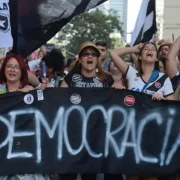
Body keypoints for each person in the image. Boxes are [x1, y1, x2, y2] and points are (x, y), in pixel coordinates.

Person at [61, 41, 123, 180]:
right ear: (80, 58)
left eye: (93, 54)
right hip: (72, 137)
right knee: (67, 175)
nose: (90, 57)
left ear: (97, 58)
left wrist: (119, 91)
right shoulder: (71, 77)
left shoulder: (106, 78)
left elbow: (116, 105)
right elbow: (59, 100)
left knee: (89, 176)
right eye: (86, 54)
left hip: (95, 139)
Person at [110, 42, 174, 101]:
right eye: (146, 49)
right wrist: (134, 49)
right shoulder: (132, 73)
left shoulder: (163, 78)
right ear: (140, 56)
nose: (150, 50)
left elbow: (172, 105)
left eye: (153, 50)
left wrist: (162, 99)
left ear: (156, 58)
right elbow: (113, 54)